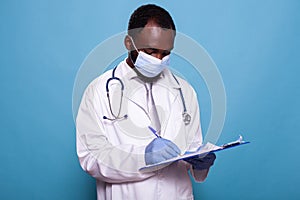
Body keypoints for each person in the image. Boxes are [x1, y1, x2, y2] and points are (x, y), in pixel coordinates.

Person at [76, 4, 216, 200]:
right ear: (128, 43)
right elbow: (91, 158)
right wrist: (143, 158)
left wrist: (199, 162)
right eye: (151, 52)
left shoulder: (184, 91)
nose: (159, 59)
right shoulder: (99, 91)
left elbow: (191, 150)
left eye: (166, 53)